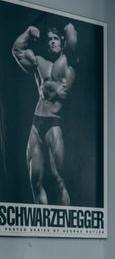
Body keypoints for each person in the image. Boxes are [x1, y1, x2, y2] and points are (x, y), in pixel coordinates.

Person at [12, 22, 77, 205]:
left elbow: (72, 38)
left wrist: (69, 27)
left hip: (53, 125)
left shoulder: (67, 63)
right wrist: (28, 31)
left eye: (56, 39)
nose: (52, 42)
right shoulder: (40, 62)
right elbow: (17, 51)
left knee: (59, 180)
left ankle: (66, 226)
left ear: (62, 42)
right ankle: (42, 228)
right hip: (36, 123)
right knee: (36, 182)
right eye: (49, 39)